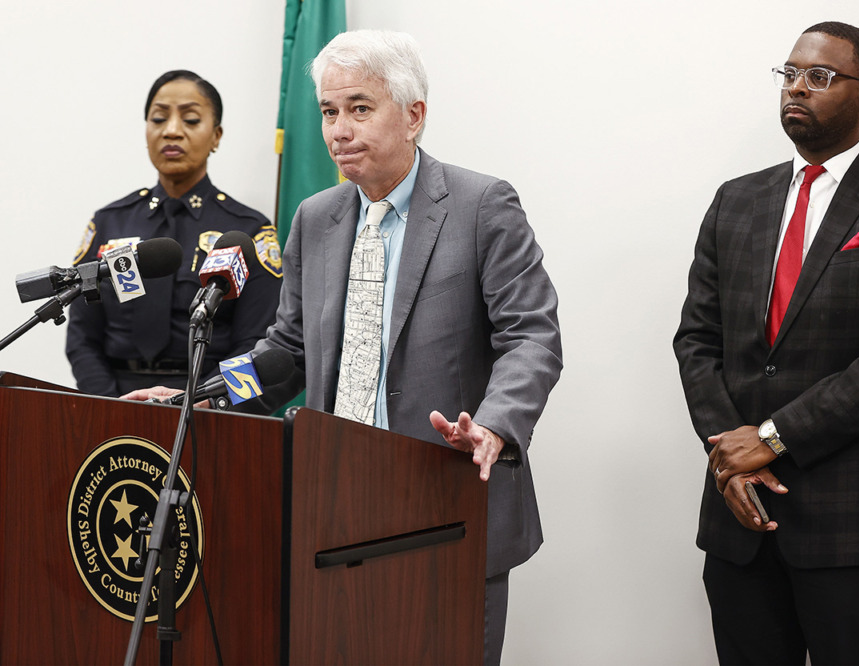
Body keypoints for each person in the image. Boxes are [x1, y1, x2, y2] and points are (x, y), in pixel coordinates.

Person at [125, 31, 562, 664]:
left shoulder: (481, 206)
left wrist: (495, 425)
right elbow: (289, 350)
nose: (339, 129)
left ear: (413, 115)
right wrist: (199, 394)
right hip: (337, 505)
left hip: (449, 502)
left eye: (360, 108)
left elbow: (532, 334)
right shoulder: (315, 218)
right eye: (329, 112)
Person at [673, 21, 859, 665]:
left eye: (820, 76)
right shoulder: (736, 201)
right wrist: (730, 453)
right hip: (737, 515)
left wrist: (771, 438)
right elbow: (696, 338)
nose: (797, 88)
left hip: (850, 518)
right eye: (791, 73)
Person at [66, 70, 282, 396]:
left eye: (191, 120)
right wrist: (110, 404)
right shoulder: (110, 223)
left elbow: (257, 343)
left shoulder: (247, 231)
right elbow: (82, 337)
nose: (171, 131)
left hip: (207, 412)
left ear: (216, 136)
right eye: (158, 118)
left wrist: (200, 401)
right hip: (114, 403)